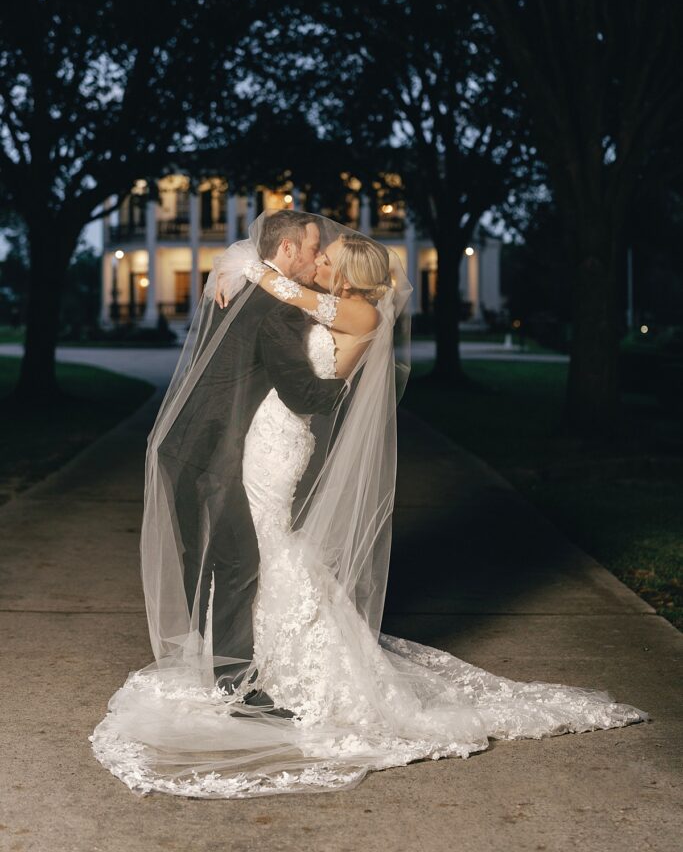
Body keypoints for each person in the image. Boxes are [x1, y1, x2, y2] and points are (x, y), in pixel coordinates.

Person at [90, 210, 647, 799]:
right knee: (250, 552)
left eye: (327, 258)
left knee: (255, 550)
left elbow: (307, 369)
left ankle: (242, 674)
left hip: (279, 435)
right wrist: (242, 265)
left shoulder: (355, 310)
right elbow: (275, 290)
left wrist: (255, 271)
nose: (319, 260)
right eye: (314, 251)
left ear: (348, 274)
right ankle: (241, 667)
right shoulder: (292, 295)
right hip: (251, 437)